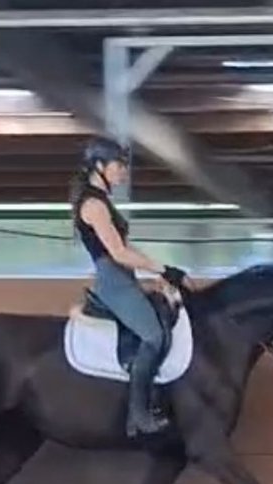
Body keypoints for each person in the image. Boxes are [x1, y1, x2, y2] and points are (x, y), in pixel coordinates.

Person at [72, 136, 192, 436]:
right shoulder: (94, 205)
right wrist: (167, 269)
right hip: (112, 283)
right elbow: (118, 253)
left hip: (123, 278)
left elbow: (124, 253)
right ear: (99, 166)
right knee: (152, 336)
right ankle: (138, 414)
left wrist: (151, 280)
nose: (123, 171)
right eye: (119, 165)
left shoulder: (103, 203)